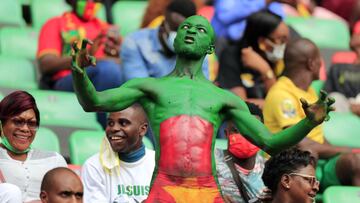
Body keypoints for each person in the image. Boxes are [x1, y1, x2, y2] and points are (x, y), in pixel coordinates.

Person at [71, 15, 333, 202]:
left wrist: (309, 122)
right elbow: (92, 102)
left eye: (200, 29)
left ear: (210, 47)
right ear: (175, 41)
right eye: (185, 27)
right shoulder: (149, 87)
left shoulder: (225, 98)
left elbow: (271, 143)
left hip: (208, 191)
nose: (191, 30)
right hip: (166, 187)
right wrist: (79, 73)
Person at [263, 38, 360, 190]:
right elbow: (301, 143)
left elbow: (318, 139)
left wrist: (351, 154)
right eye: (319, 60)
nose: (322, 64)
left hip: (318, 161)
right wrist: (350, 150)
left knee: (356, 162)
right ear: (311, 63)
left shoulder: (310, 91)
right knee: (310, 153)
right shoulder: (281, 93)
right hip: (291, 168)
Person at [37, 0, 123, 128]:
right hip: (68, 79)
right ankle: (105, 127)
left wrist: (120, 52)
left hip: (107, 76)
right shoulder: (56, 23)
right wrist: (81, 58)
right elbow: (46, 64)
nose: (90, 2)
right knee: (108, 70)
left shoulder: (106, 28)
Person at [0, 91, 67, 202]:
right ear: (1, 124)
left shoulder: (54, 159)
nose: (25, 129)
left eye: (31, 123)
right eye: (18, 121)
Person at [81, 104, 155, 202]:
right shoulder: (94, 166)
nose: (114, 128)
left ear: (142, 129)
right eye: (110, 123)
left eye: (123, 123)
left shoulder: (160, 164)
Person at [121, 0, 209, 81]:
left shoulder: (198, 49)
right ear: (164, 24)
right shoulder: (135, 43)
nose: (178, 36)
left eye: (185, 31)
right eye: (175, 30)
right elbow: (137, 87)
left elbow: (201, 88)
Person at [216, 10, 290, 107]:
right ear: (262, 41)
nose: (285, 45)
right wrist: (274, 105)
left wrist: (265, 70)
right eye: (281, 39)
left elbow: (283, 104)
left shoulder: (284, 59)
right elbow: (239, 105)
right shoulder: (231, 56)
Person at [215, 103, 269, 203]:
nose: (246, 136)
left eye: (252, 131)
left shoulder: (271, 169)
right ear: (226, 133)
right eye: (237, 130)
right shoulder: (209, 161)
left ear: (262, 136)